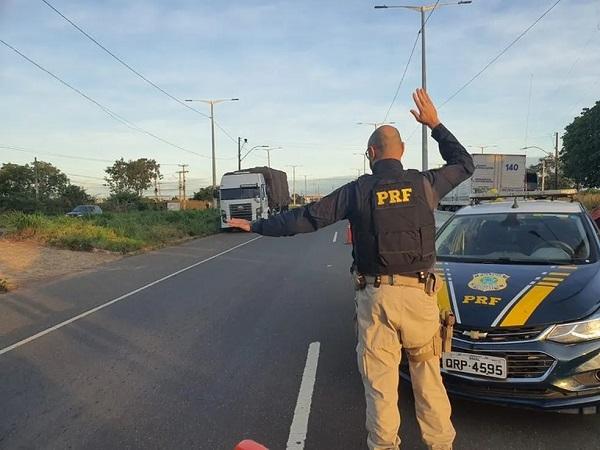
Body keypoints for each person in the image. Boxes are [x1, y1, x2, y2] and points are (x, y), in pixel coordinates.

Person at [228, 89, 474, 450]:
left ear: (371, 154)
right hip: (422, 297)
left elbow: (306, 218)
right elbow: (465, 163)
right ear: (402, 151)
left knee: (381, 383)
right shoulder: (427, 184)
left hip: (377, 299)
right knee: (428, 378)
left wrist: (258, 226)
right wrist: (434, 124)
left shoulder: (359, 191)